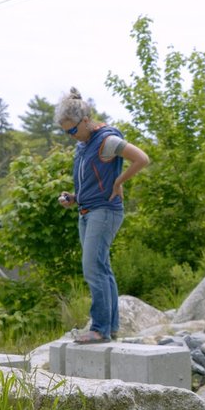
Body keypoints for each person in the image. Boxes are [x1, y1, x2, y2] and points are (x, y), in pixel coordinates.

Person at [54, 87, 150, 343]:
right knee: (102, 268)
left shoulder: (107, 140)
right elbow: (91, 181)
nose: (71, 136)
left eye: (73, 130)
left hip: (105, 212)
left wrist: (119, 182)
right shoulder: (84, 145)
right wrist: (73, 198)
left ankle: (99, 329)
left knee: (93, 268)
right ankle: (111, 326)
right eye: (67, 133)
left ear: (85, 121)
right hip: (87, 210)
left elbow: (142, 158)